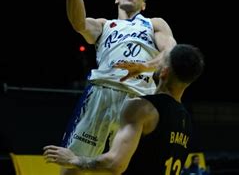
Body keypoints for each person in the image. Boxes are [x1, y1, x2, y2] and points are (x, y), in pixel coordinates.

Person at [50, 0, 177, 174]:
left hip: (137, 99)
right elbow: (78, 23)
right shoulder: (104, 25)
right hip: (99, 95)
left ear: (143, 4)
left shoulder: (154, 23)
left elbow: (172, 52)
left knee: (121, 166)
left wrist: (145, 66)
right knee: (72, 165)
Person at [44, 43, 205, 174]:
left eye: (161, 61)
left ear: (164, 72)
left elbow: (115, 164)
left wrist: (74, 160)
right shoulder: (187, 121)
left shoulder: (142, 107)